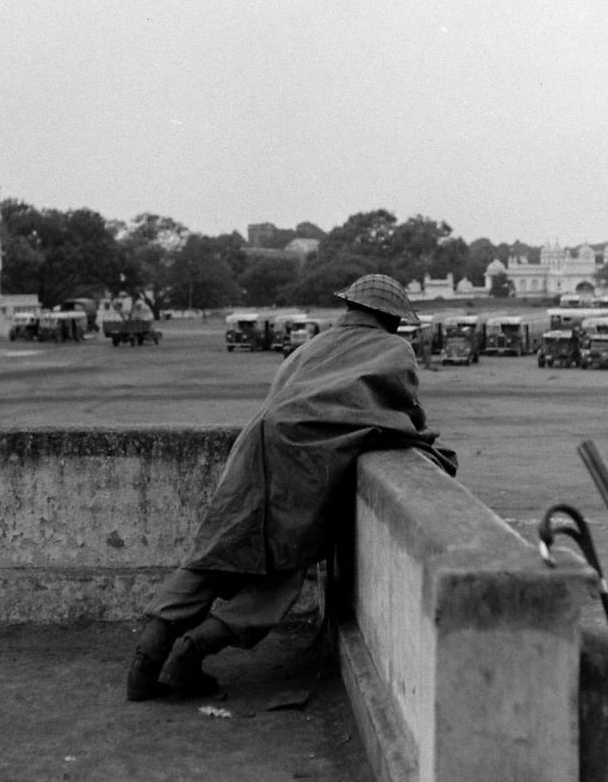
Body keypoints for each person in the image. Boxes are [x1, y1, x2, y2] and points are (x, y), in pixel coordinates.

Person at [126, 273, 456, 702]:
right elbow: (405, 411)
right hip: (302, 459)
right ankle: (190, 653)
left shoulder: (311, 346)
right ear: (392, 319)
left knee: (212, 556)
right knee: (282, 571)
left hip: (253, 446)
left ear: (351, 308)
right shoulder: (394, 349)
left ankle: (143, 667)